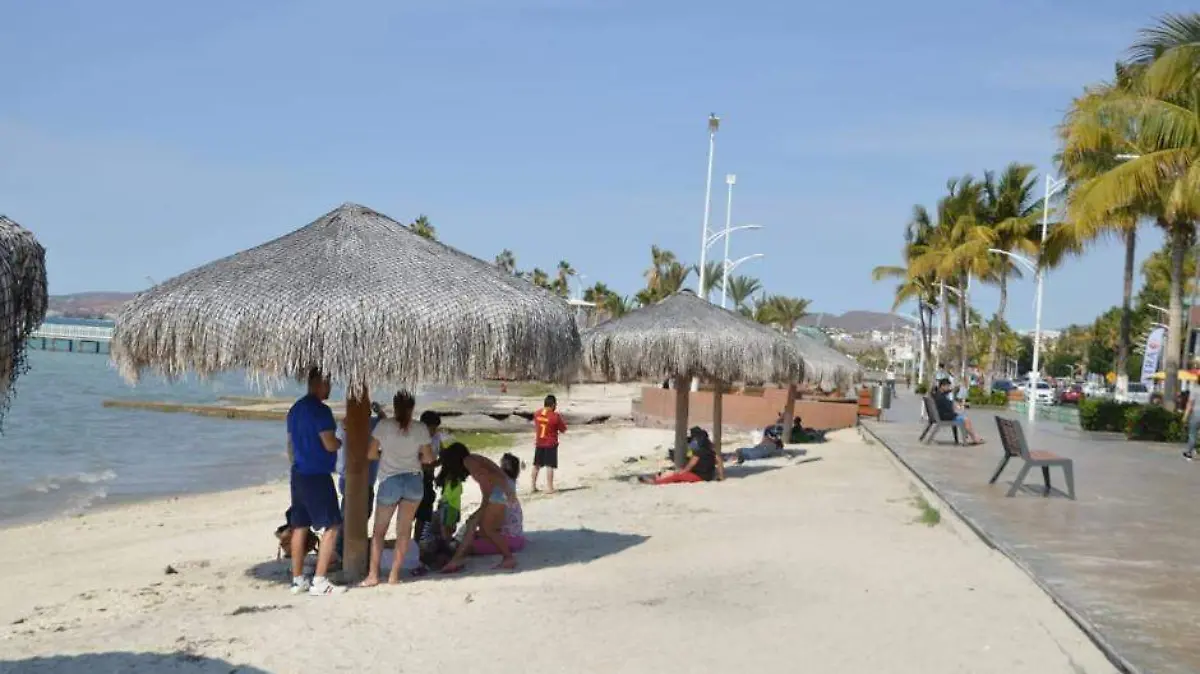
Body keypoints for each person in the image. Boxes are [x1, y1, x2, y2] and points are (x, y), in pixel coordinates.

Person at [361, 391, 434, 587]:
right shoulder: (420, 428)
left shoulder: (384, 426)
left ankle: (373, 575)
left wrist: (385, 456)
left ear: (394, 406)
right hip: (413, 480)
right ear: (412, 407)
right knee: (404, 531)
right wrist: (414, 458)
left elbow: (370, 454)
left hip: (390, 480)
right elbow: (429, 459)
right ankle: (394, 575)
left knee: (379, 532)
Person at [285, 368, 346, 596]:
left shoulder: (295, 409)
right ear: (317, 384)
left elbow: (290, 444)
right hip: (317, 474)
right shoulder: (321, 411)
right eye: (328, 383)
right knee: (332, 525)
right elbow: (329, 443)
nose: (330, 388)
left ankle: (298, 578)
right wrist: (340, 442)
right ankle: (319, 580)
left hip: (298, 472)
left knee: (300, 525)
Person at [440, 444, 518, 573]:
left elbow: (491, 479)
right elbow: (487, 486)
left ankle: (508, 557)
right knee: (473, 523)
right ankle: (456, 559)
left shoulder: (469, 461)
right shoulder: (473, 459)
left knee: (489, 529)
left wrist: (507, 492)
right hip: (501, 489)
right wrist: (481, 509)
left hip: (500, 490)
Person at [334, 402, 386, 560]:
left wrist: (379, 411)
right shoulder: (346, 425)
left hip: (366, 478)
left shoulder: (372, 425)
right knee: (348, 516)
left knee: (362, 513)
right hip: (349, 477)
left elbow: (384, 422)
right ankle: (340, 549)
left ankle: (350, 547)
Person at [469, 452, 526, 556]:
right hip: (517, 536)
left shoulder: (500, 489)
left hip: (509, 539)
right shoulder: (510, 484)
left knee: (468, 544)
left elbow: (494, 526)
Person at [413, 410, 450, 543]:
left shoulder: (436, 438)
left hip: (428, 479)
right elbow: (418, 463)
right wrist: (438, 463)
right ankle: (411, 543)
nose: (434, 430)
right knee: (412, 513)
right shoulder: (416, 440)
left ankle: (416, 542)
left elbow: (443, 451)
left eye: (436, 428)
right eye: (432, 428)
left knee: (423, 515)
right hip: (415, 479)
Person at [642, 427, 718, 485]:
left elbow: (690, 465)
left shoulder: (698, 452)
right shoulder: (710, 450)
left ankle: (656, 482)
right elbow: (719, 461)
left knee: (677, 475)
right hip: (709, 476)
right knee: (678, 475)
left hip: (700, 477)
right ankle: (659, 479)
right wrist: (721, 476)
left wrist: (682, 472)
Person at [531, 394, 567, 493]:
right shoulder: (555, 416)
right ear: (553, 405)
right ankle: (550, 488)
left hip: (539, 442)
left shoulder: (537, 414)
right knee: (550, 466)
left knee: (536, 465)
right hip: (550, 443)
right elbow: (563, 429)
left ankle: (533, 486)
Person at [933, 378, 983, 445]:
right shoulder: (941, 397)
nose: (948, 388)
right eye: (947, 386)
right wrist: (955, 406)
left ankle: (975, 437)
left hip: (942, 415)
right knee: (966, 420)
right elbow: (949, 407)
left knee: (965, 419)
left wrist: (954, 389)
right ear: (942, 386)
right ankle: (975, 438)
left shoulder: (938, 394)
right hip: (945, 417)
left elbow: (947, 394)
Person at [1184, 393, 1199, 461]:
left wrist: (1185, 416)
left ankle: (1189, 453)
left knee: (1192, 434)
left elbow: (1190, 404)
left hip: (1196, 414)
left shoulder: (1195, 390)